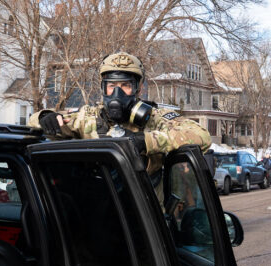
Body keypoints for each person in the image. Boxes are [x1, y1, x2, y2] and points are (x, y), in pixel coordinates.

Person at [30, 52, 211, 180]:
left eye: (125, 85)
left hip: (147, 220)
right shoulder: (89, 118)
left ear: (137, 88)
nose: (118, 92)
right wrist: (45, 117)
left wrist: (145, 141)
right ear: (103, 88)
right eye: (111, 85)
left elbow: (202, 136)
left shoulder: (155, 119)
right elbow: (36, 125)